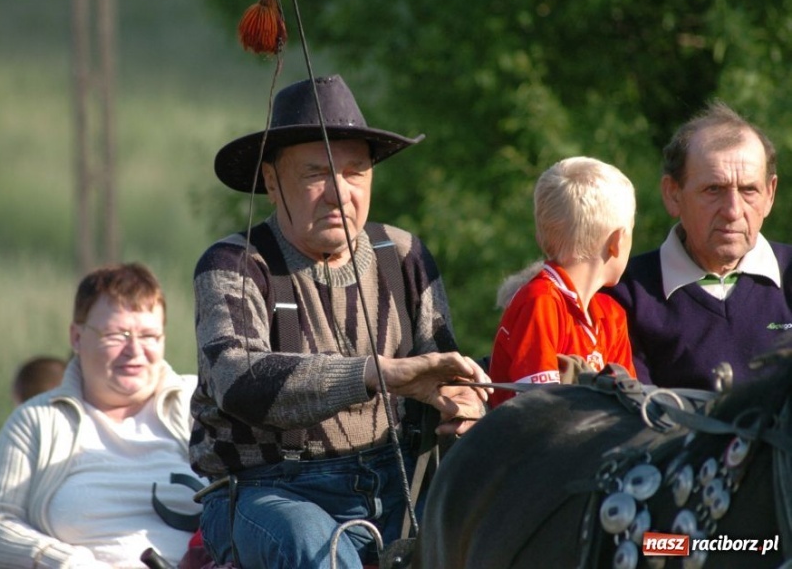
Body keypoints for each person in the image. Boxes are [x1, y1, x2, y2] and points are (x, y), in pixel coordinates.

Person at [190, 74, 490, 569]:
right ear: (271, 181)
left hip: (397, 483)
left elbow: (442, 373)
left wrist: (461, 403)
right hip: (267, 491)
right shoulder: (234, 263)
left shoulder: (407, 255)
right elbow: (238, 380)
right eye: (315, 174)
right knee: (314, 544)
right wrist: (375, 374)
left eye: (355, 172)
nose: (339, 193)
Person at [0, 262, 204, 568]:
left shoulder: (201, 405)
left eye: (149, 335)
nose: (134, 351)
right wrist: (71, 563)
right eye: (117, 335)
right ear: (76, 337)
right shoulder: (37, 421)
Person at [607, 101, 791, 390]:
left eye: (748, 190)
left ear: (770, 195)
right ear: (672, 194)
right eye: (713, 190)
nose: (733, 210)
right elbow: (630, 424)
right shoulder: (624, 295)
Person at [488, 157, 637, 407]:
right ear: (618, 241)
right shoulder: (541, 301)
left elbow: (629, 405)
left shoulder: (612, 315)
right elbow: (539, 407)